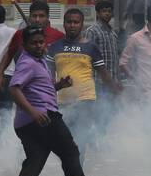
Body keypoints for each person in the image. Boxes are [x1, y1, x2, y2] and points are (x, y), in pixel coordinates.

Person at [5, 24, 103, 176]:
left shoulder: (39, 61)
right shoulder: (27, 63)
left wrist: (59, 85)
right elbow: (14, 89)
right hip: (43, 118)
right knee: (70, 151)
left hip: (27, 124)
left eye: (41, 42)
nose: (39, 46)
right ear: (24, 45)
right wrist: (34, 112)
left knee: (36, 159)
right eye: (34, 43)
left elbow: (41, 89)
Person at [48, 8, 115, 148]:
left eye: (76, 22)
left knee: (79, 140)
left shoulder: (91, 47)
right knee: (64, 141)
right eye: (69, 22)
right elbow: (48, 76)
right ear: (64, 23)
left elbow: (104, 74)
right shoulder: (54, 47)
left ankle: (77, 168)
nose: (72, 25)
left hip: (85, 101)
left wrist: (118, 90)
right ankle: (72, 169)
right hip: (62, 101)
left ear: (82, 24)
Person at [0, 0, 65, 93]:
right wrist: (0, 73)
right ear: (29, 17)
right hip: (24, 86)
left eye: (41, 16)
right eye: (34, 16)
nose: (37, 19)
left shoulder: (58, 36)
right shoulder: (20, 34)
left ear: (48, 17)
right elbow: (9, 54)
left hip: (50, 86)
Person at [84, 0, 124, 88]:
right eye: (104, 11)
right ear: (98, 13)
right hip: (98, 82)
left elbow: (115, 59)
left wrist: (118, 80)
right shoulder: (92, 31)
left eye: (109, 11)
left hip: (112, 82)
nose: (107, 14)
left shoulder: (113, 33)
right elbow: (87, 57)